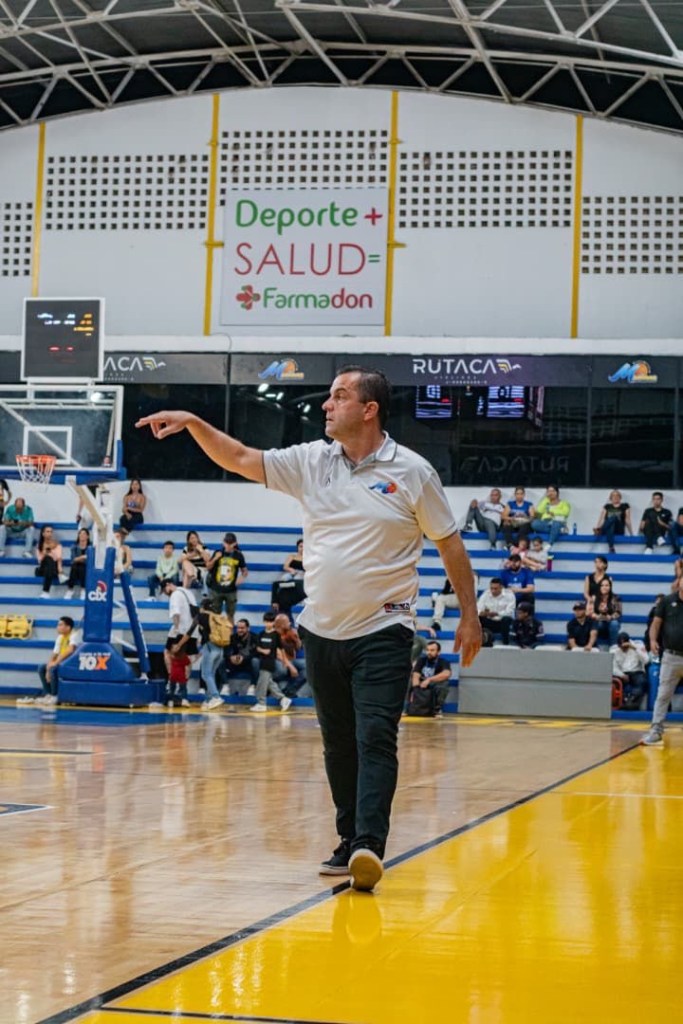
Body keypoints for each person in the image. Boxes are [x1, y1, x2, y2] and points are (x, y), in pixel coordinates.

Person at [137, 364, 481, 893]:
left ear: (369, 409)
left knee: (374, 736)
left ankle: (369, 843)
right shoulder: (310, 461)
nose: (326, 404)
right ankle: (348, 840)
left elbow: (449, 544)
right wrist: (195, 423)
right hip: (321, 631)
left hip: (385, 627)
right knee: (338, 744)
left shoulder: (413, 472)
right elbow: (241, 458)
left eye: (339, 396)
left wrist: (470, 615)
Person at [641, 579, 683, 745]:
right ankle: (656, 731)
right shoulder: (667, 601)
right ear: (679, 582)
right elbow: (656, 624)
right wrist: (652, 640)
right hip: (671, 656)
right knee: (663, 695)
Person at [174, 597, 228, 710]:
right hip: (220, 648)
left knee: (205, 674)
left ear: (202, 607)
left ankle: (216, 697)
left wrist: (179, 645)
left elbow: (189, 633)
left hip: (209, 647)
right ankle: (209, 699)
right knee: (211, 674)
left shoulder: (200, 616)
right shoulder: (217, 617)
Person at [17, 616, 81, 706]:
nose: (57, 627)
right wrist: (48, 666)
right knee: (42, 667)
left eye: (60, 625)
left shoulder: (74, 635)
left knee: (53, 668)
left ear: (68, 627)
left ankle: (55, 696)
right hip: (61, 663)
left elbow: (70, 650)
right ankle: (48, 694)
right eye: (58, 625)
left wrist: (54, 664)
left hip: (71, 664)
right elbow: (55, 653)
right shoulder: (60, 637)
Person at [251, 611, 292, 713]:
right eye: (266, 621)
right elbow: (257, 648)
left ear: (274, 622)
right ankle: (283, 698)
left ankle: (261, 703)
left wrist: (285, 661)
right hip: (262, 661)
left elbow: (281, 649)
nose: (268, 624)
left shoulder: (276, 635)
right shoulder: (261, 634)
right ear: (263, 622)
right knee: (268, 682)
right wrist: (263, 651)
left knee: (262, 683)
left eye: (270, 621)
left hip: (270, 662)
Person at [161, 579, 199, 679]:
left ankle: (172, 678)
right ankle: (184, 682)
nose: (165, 593)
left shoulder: (175, 595)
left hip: (181, 629)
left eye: (164, 590)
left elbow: (176, 613)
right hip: (193, 630)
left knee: (168, 653)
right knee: (188, 658)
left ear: (168, 585)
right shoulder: (187, 592)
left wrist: (176, 628)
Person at [207, 532, 248, 617]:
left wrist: (241, 578)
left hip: (231, 590)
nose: (228, 545)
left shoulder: (238, 555)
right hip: (216, 589)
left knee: (230, 615)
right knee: (214, 616)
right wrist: (215, 558)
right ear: (223, 542)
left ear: (235, 543)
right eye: (226, 543)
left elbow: (244, 571)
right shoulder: (218, 553)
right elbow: (208, 567)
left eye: (231, 543)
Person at [410, 639, 452, 716]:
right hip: (420, 684)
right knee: (409, 681)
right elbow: (416, 674)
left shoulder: (443, 661)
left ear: (438, 652)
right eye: (427, 650)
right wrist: (416, 689)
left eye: (432, 650)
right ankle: (409, 708)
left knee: (444, 685)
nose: (429, 652)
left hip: (433, 683)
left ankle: (436, 710)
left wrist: (429, 680)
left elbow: (447, 674)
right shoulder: (421, 660)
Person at [272, 612, 307, 697]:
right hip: (278, 660)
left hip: (291, 659)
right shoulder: (273, 634)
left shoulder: (290, 632)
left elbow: (298, 648)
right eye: (287, 622)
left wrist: (297, 639)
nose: (290, 623)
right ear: (281, 624)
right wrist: (291, 667)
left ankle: (290, 690)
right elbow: (278, 654)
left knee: (307, 667)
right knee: (282, 670)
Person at [612, 632, 649, 711]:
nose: (623, 649)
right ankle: (621, 702)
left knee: (642, 682)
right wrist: (621, 675)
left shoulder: (638, 645)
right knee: (614, 682)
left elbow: (646, 660)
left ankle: (632, 702)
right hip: (622, 673)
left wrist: (635, 649)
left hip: (636, 672)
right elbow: (613, 667)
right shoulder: (614, 650)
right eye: (621, 647)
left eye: (625, 647)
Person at [223, 617, 259, 695]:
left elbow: (256, 653)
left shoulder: (255, 637)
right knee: (220, 661)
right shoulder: (232, 637)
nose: (239, 630)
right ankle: (225, 685)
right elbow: (226, 651)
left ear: (248, 628)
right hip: (234, 663)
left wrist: (244, 658)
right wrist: (230, 657)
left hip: (248, 663)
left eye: (242, 628)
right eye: (238, 628)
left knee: (256, 661)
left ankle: (253, 686)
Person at [270, 538, 306, 614]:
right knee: (284, 578)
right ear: (297, 547)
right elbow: (285, 566)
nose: (302, 548)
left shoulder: (308, 558)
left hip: (302, 575)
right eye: (300, 546)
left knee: (297, 579)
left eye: (304, 547)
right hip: (292, 572)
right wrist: (291, 570)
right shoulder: (292, 556)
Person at [477, 578, 516, 646]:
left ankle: (505, 643)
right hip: (489, 620)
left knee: (506, 619)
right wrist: (483, 613)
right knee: (477, 618)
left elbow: (509, 612)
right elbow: (478, 609)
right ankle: (480, 641)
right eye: (491, 588)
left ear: (501, 587)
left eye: (495, 588)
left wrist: (497, 614)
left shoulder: (509, 595)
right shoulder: (486, 594)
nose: (493, 591)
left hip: (502, 622)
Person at [531, 485, 571, 551]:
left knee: (556, 524)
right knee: (534, 523)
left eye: (552, 491)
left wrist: (553, 512)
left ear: (557, 492)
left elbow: (565, 512)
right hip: (546, 523)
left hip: (558, 521)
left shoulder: (564, 503)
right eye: (549, 491)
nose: (550, 493)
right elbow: (539, 510)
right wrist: (546, 499)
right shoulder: (546, 501)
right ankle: (558, 530)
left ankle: (550, 543)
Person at [593, 489, 632, 554]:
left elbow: (627, 520)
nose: (615, 497)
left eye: (617, 495)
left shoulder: (625, 506)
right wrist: (597, 526)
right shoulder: (607, 506)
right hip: (609, 529)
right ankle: (611, 547)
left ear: (620, 497)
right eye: (613, 495)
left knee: (614, 517)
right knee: (611, 525)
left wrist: (631, 534)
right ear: (610, 498)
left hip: (619, 529)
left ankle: (601, 530)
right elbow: (602, 519)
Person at [587, 577, 622, 648]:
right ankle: (593, 646)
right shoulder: (594, 597)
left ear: (610, 587)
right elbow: (590, 612)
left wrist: (610, 617)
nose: (604, 587)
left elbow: (618, 612)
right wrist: (599, 616)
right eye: (602, 585)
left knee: (614, 623)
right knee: (595, 623)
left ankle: (613, 647)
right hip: (598, 623)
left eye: (606, 585)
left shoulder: (616, 597)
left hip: (611, 622)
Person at [35, 525, 67, 597]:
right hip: (43, 568)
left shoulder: (58, 545)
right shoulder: (39, 545)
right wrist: (46, 552)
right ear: (43, 533)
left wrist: (50, 551)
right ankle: (46, 591)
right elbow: (40, 559)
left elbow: (58, 558)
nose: (50, 533)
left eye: (51, 532)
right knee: (48, 559)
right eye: (47, 531)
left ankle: (45, 592)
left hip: (54, 568)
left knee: (49, 560)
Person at [65, 527, 91, 599]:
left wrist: (78, 559)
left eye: (84, 534)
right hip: (76, 567)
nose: (82, 535)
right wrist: (83, 557)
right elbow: (73, 560)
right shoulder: (74, 547)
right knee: (75, 566)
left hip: (85, 568)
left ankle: (83, 590)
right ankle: (70, 590)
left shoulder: (90, 548)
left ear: (88, 536)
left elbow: (89, 561)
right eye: (80, 533)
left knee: (81, 566)